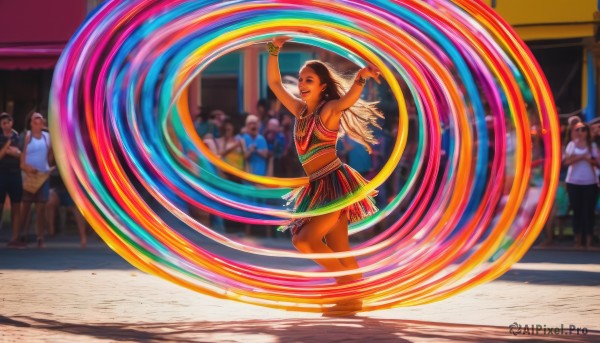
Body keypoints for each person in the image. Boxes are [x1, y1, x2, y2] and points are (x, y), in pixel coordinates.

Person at [267, 36, 381, 315]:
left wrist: (361, 77)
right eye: (301, 79)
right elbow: (274, 84)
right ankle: (354, 298)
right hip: (317, 184)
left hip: (334, 183)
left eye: (308, 80)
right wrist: (273, 48)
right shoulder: (299, 110)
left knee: (304, 241)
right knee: (338, 244)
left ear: (322, 86)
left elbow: (348, 100)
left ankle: (349, 287)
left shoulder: (328, 110)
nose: (302, 84)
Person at [19, 112, 53, 248]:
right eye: (35, 120)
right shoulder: (27, 137)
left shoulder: (47, 137)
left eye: (40, 120)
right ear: (31, 123)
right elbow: (22, 158)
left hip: (42, 175)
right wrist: (27, 169)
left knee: (41, 208)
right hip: (29, 175)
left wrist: (47, 168)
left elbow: (50, 153)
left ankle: (40, 237)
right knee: (25, 206)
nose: (38, 122)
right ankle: (21, 235)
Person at [563, 122, 598, 249]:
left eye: (583, 130)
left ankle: (589, 241)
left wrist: (588, 159)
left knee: (588, 211)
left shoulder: (592, 145)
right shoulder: (571, 145)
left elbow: (597, 163)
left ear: (587, 132)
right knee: (576, 211)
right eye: (578, 129)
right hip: (573, 182)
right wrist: (581, 157)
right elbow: (566, 161)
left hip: (590, 182)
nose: (581, 132)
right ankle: (577, 241)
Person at [0, 113, 24, 248]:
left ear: (12, 122)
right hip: (1, 175)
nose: (6, 125)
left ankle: (15, 238)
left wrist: (13, 152)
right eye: (3, 123)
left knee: (16, 206)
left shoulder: (18, 137)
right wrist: (8, 147)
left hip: (15, 175)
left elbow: (21, 154)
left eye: (8, 122)